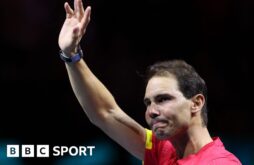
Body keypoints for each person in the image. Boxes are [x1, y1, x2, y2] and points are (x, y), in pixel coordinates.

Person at [58, 0, 242, 164]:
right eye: (148, 103)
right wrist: (71, 55)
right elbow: (105, 112)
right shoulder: (162, 150)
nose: (151, 112)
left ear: (196, 103)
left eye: (163, 99)